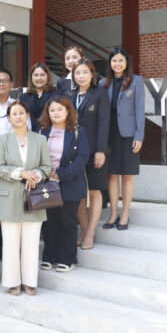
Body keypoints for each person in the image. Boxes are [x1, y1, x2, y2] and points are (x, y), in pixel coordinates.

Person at [0, 100, 51, 296]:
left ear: (27, 115)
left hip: (34, 196)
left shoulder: (40, 139)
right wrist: (21, 173)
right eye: (14, 113)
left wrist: (36, 175)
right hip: (8, 196)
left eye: (21, 113)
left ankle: (29, 282)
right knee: (10, 242)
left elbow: (47, 166)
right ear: (9, 118)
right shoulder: (1, 140)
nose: (18, 116)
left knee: (31, 242)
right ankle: (12, 282)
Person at [37, 97, 90, 272]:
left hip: (70, 182)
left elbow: (83, 157)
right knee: (49, 222)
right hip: (46, 182)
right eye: (52, 110)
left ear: (68, 111)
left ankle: (68, 259)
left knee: (67, 221)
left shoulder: (78, 131)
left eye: (60, 109)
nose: (56, 113)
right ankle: (49, 257)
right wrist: (46, 173)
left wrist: (61, 173)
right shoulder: (41, 131)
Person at [64, 59, 109, 250]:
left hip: (94, 150)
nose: (81, 76)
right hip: (74, 152)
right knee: (79, 192)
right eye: (77, 73)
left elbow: (104, 123)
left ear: (92, 74)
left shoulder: (99, 93)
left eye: (84, 72)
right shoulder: (69, 95)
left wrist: (100, 150)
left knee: (94, 191)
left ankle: (90, 232)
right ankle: (83, 229)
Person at [101, 47, 145, 230]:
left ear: (126, 62)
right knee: (111, 175)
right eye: (114, 61)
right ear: (110, 63)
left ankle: (125, 213)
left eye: (120, 60)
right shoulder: (103, 83)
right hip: (109, 134)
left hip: (128, 134)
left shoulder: (136, 81)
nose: (117, 64)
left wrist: (139, 135)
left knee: (127, 175)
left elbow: (140, 110)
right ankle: (113, 213)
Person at [20, 63, 57, 130]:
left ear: (48, 77)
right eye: (36, 75)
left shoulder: (57, 94)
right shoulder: (24, 97)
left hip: (51, 133)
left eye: (42, 75)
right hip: (30, 134)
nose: (39, 78)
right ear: (31, 77)